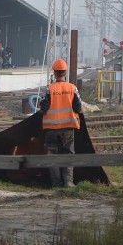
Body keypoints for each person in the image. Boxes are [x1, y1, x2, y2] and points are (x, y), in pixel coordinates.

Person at [38, 58, 83, 188]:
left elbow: (43, 108)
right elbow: (78, 108)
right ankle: (68, 182)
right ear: (65, 72)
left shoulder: (49, 89)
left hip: (51, 129)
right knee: (68, 155)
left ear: (55, 73)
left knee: (52, 156)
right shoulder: (72, 88)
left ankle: (56, 185)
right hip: (68, 128)